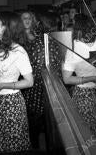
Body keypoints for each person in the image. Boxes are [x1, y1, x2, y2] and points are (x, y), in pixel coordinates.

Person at [0, 11, 34, 153]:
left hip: (11, 103)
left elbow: (29, 82)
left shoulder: (18, 51)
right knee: (0, 144)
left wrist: (2, 85)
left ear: (7, 27)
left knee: (14, 145)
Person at [20, 10, 62, 148]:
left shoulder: (40, 41)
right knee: (44, 127)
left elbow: (37, 69)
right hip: (45, 89)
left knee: (36, 127)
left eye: (31, 19)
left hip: (37, 90)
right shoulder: (51, 39)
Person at [62, 14, 96, 132]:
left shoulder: (74, 47)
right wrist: (95, 77)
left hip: (83, 95)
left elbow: (67, 79)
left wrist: (91, 77)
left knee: (84, 133)